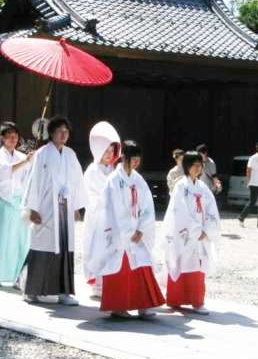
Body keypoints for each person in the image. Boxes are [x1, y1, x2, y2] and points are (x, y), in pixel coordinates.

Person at [86, 140, 165, 319]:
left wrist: (142, 229)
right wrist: (129, 232)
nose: (136, 163)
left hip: (137, 232)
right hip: (118, 234)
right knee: (119, 267)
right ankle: (118, 306)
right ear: (123, 157)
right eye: (133, 159)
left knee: (143, 265)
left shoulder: (138, 180)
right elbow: (114, 209)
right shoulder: (114, 180)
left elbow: (147, 207)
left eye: (138, 159)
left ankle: (144, 305)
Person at [23, 116, 88, 304]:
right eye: (59, 131)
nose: (63, 134)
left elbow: (77, 181)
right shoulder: (42, 153)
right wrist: (32, 208)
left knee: (65, 246)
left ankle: (63, 292)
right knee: (42, 246)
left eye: (66, 131)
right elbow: (33, 180)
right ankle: (32, 290)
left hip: (64, 207)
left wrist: (75, 206)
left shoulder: (70, 155)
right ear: (51, 133)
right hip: (45, 207)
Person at [163, 151, 220, 314]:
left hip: (201, 234)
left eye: (200, 165)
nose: (198, 168)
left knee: (197, 267)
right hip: (185, 233)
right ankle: (175, 299)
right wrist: (195, 229)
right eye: (194, 165)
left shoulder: (203, 188)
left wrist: (207, 229)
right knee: (180, 263)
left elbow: (211, 210)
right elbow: (179, 211)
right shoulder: (181, 186)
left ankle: (197, 301)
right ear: (187, 166)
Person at [0, 122, 33, 287]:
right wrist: (26, 161)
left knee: (22, 241)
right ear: (2, 138)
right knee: (3, 240)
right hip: (7, 201)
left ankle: (18, 275)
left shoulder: (21, 156)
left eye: (15, 136)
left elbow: (28, 177)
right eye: (10, 136)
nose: (13, 139)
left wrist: (30, 160)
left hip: (20, 203)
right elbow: (5, 172)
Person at [83, 121, 121, 299]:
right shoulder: (92, 170)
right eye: (105, 151)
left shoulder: (116, 169)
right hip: (98, 217)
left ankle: (111, 281)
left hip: (114, 217)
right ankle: (98, 284)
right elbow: (92, 194)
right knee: (98, 248)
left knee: (113, 249)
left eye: (112, 151)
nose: (109, 155)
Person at [238, 140, 258, 228]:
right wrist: (249, 181)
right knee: (252, 202)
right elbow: (248, 170)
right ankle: (241, 217)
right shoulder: (253, 158)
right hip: (254, 183)